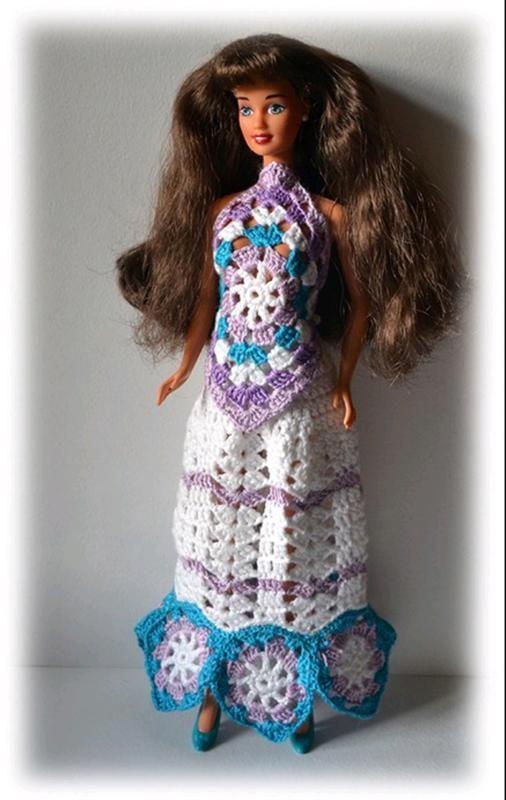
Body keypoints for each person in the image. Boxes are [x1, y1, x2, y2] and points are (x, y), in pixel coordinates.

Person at [116, 33, 465, 753]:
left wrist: (346, 379)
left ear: (306, 111)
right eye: (245, 107)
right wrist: (184, 366)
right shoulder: (223, 210)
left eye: (273, 105)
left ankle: (296, 693)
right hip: (223, 398)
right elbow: (209, 302)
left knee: (296, 541)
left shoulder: (329, 215)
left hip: (301, 399)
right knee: (216, 538)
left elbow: (360, 306)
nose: (258, 122)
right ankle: (211, 693)